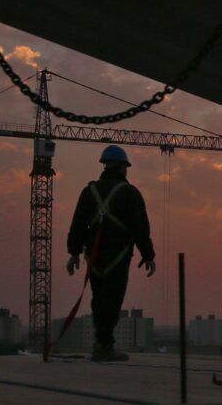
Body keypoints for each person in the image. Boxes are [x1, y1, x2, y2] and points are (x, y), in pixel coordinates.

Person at [65, 145, 156, 362]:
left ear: (104, 166)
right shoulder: (129, 193)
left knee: (99, 299)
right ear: (124, 167)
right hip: (118, 256)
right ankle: (104, 345)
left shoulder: (89, 192)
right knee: (113, 300)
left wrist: (74, 253)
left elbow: (77, 225)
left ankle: (101, 343)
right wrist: (148, 255)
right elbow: (140, 227)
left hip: (94, 257)